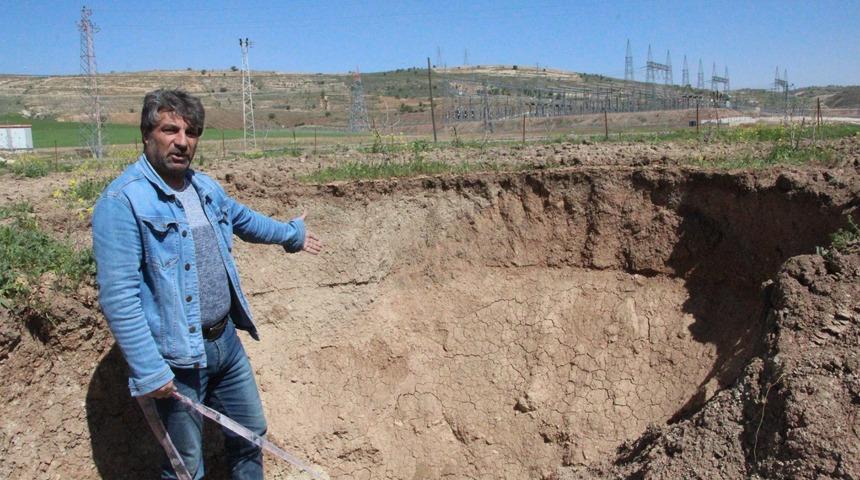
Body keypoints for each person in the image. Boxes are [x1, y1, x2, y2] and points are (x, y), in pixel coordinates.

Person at [92, 89, 322, 479]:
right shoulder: (122, 202)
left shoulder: (203, 188)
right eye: (171, 129)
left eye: (192, 132)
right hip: (177, 358)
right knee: (185, 467)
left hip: (225, 343)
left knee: (251, 436)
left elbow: (245, 220)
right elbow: (119, 297)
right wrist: (150, 369)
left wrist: (290, 235)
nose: (183, 141)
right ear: (147, 134)